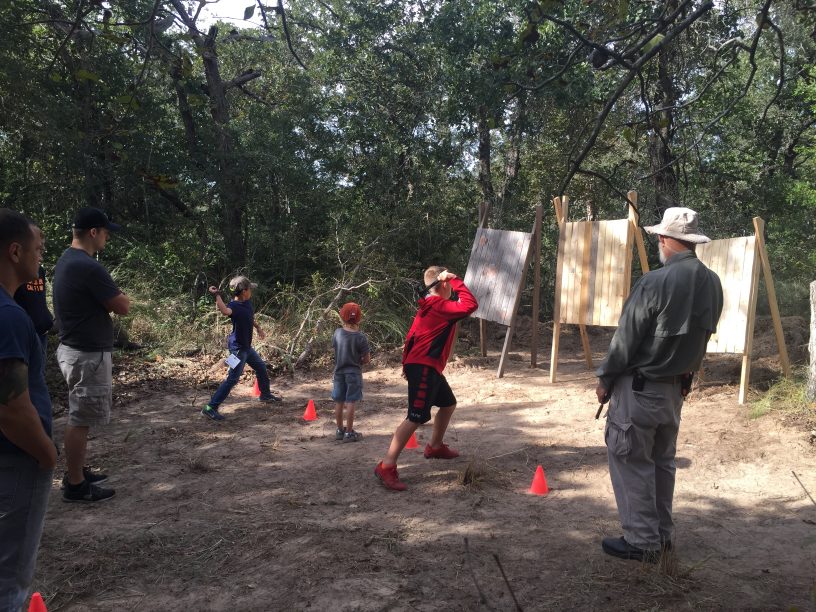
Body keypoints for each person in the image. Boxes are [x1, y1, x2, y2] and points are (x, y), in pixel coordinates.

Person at [595, 207, 723, 563]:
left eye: (659, 239)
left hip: (641, 390)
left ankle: (641, 541)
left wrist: (605, 379)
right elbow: (702, 338)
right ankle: (662, 536)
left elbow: (626, 340)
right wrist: (687, 377)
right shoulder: (712, 282)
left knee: (632, 461)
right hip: (675, 390)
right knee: (662, 463)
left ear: (665, 239)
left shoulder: (654, 282)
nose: (658, 244)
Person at [0, 209, 58, 610]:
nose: (40, 258)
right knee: (9, 581)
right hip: (16, 458)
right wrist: (46, 452)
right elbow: (11, 407)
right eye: (37, 249)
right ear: (15, 251)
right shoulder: (9, 317)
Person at [375, 267, 478, 491]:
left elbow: (412, 336)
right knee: (415, 417)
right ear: (443, 283)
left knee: (448, 403)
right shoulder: (439, 305)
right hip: (423, 367)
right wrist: (455, 279)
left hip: (427, 367)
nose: (452, 289)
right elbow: (470, 305)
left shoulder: (430, 304)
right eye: (449, 284)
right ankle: (386, 465)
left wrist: (407, 363)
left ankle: (435, 446)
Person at [53, 207, 130, 503]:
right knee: (80, 418)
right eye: (106, 232)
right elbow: (122, 306)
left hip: (76, 350)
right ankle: (75, 485)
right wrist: (122, 297)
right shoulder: (87, 266)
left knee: (80, 416)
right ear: (93, 232)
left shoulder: (67, 259)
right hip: (86, 354)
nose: (107, 237)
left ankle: (77, 473)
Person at [201, 276, 281, 421]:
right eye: (250, 289)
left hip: (247, 348)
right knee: (232, 379)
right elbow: (225, 311)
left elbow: (249, 317)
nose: (251, 291)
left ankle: (265, 395)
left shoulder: (247, 303)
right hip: (237, 350)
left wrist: (258, 328)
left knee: (261, 368)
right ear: (244, 291)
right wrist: (217, 295)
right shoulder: (234, 306)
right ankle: (210, 408)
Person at [332, 302, 371, 442]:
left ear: (342, 316)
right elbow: (367, 359)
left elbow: (335, 349)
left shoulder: (337, 333)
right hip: (353, 373)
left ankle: (339, 430)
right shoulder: (361, 337)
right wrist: (359, 361)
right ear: (359, 318)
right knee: (351, 401)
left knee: (339, 400)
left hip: (338, 372)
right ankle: (349, 433)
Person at [14, 256, 54, 362]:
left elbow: (40, 298)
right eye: (37, 249)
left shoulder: (39, 270)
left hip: (42, 332)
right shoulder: (13, 270)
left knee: (39, 370)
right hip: (23, 335)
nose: (41, 257)